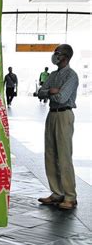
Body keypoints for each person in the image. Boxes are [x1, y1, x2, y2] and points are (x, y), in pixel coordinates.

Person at [37, 44, 79, 210]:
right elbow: (41, 91)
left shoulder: (72, 76)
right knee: (50, 153)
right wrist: (51, 91)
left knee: (64, 155)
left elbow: (62, 98)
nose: (55, 55)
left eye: (58, 53)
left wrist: (52, 91)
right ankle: (56, 193)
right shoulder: (53, 74)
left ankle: (70, 196)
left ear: (66, 57)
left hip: (64, 114)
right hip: (51, 114)